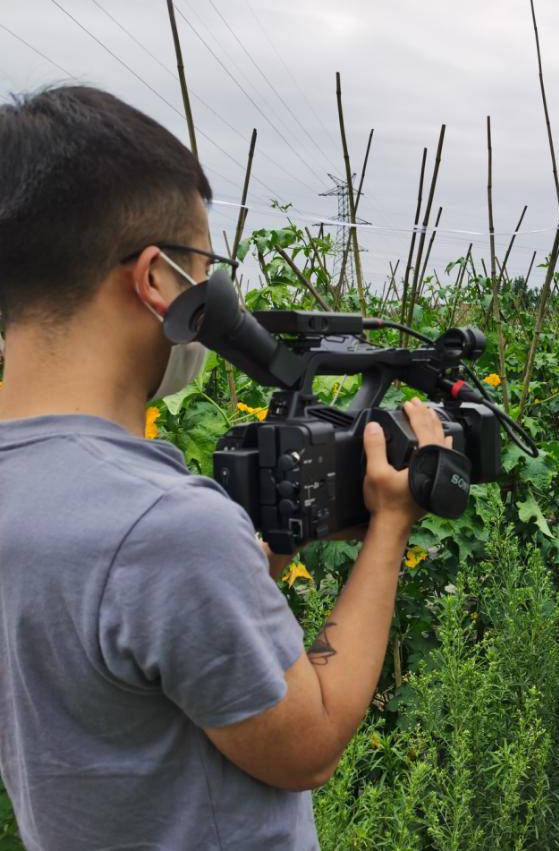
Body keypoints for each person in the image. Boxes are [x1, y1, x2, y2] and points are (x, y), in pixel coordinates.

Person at [0, 86, 446, 849]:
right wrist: (391, 524)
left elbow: (124, 650)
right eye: (204, 271)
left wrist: (260, 550)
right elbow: (310, 740)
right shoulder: (162, 526)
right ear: (154, 281)